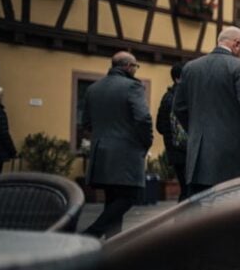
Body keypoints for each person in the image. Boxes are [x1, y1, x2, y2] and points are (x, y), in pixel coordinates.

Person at [173, 27, 240, 193]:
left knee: (203, 210)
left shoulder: (191, 68)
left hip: (198, 157)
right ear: (236, 44)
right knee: (231, 212)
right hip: (232, 158)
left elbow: (179, 108)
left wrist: (196, 132)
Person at [81, 52, 153, 238]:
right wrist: (146, 141)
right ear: (128, 66)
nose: (135, 70)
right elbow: (143, 118)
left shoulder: (93, 88)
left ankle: (114, 242)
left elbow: (86, 123)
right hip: (126, 153)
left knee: (112, 198)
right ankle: (92, 233)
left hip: (101, 153)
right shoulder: (133, 86)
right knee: (131, 196)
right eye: (135, 67)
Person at [156, 63, 189, 201]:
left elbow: (159, 126)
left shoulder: (166, 97)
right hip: (186, 150)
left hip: (174, 152)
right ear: (178, 79)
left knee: (185, 189)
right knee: (189, 191)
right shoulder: (182, 98)